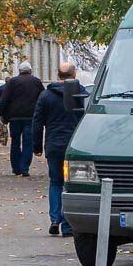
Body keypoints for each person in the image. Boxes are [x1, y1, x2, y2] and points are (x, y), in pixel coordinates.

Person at [33, 62, 84, 236]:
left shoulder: (46, 95)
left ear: (58, 75)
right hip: (76, 147)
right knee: (71, 185)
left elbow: (37, 122)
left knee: (55, 182)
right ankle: (68, 225)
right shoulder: (81, 93)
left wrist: (37, 147)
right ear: (74, 74)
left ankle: (55, 219)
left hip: (54, 145)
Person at [0, 62, 44, 176]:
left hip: (15, 118)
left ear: (19, 71)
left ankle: (16, 168)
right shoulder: (36, 82)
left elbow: (4, 99)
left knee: (15, 142)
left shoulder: (13, 82)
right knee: (28, 143)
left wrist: (1, 114)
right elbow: (42, 98)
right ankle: (24, 168)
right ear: (30, 70)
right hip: (30, 117)